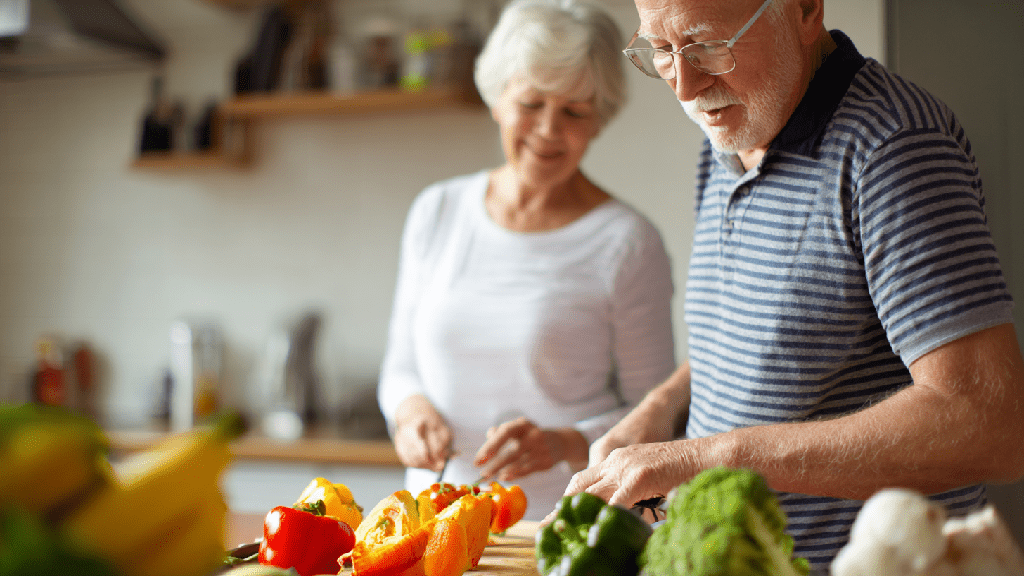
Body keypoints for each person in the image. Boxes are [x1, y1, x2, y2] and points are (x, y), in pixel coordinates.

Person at [559, 0, 1024, 571]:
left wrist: (708, 457)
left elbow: (988, 422)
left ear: (804, 10)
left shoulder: (893, 145)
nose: (684, 86)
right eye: (660, 50)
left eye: (708, 46)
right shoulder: (732, 127)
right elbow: (768, 336)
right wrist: (662, 407)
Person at [376, 0, 676, 521]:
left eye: (574, 111)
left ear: (598, 120)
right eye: (532, 103)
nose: (548, 130)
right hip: (434, 526)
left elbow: (656, 416)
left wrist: (562, 443)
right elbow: (401, 368)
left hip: (563, 533)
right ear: (497, 100)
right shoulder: (437, 210)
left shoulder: (628, 242)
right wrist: (410, 411)